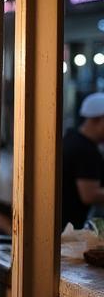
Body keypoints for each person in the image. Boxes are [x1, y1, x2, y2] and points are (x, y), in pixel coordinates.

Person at [61, 92, 104, 229]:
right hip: (67, 228)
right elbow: (89, 195)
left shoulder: (72, 138)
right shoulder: (85, 150)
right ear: (97, 120)